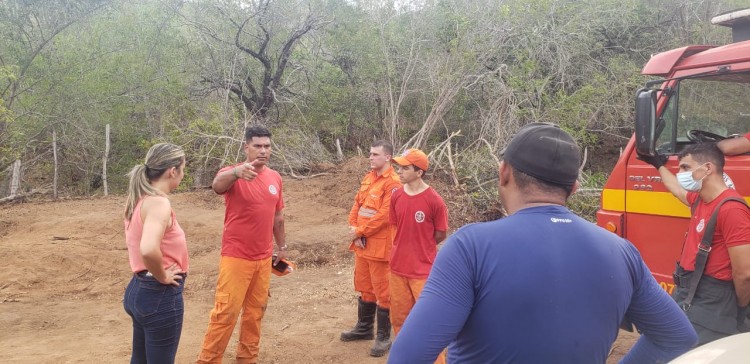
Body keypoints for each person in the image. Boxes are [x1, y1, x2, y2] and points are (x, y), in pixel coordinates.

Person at [389, 123, 698, 363]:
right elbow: (678, 336)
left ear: (504, 172)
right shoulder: (621, 251)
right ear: (574, 187)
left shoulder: (471, 247)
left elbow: (408, 357)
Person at [639, 143, 750, 345]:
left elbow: (744, 274)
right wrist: (658, 165)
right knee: (661, 344)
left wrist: (740, 310)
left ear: (707, 168)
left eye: (685, 168)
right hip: (688, 291)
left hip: (711, 302)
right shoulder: (700, 199)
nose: (680, 173)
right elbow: (676, 189)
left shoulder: (732, 210)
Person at [197, 126, 287, 364]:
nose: (263, 151)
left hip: (264, 257)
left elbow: (278, 217)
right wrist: (237, 172)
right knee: (225, 312)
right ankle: (208, 360)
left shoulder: (275, 177)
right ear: (246, 146)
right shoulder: (233, 173)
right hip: (236, 256)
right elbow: (217, 185)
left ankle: (247, 359)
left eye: (267, 146)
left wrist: (282, 247)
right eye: (257, 146)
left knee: (255, 312)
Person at [123, 143, 189, 364]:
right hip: (158, 295)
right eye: (183, 168)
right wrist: (163, 276)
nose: (183, 173)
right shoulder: (159, 203)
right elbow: (148, 249)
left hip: (138, 290)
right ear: (173, 171)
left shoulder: (139, 199)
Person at [340, 139, 402, 357]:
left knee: (382, 291)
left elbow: (385, 216)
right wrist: (353, 227)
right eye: (370, 153)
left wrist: (359, 231)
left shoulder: (393, 182)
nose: (370, 157)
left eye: (375, 154)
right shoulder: (369, 177)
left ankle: (384, 337)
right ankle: (364, 328)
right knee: (365, 287)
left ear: (387, 157)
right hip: (362, 245)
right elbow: (357, 204)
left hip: (379, 248)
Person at [389, 148, 448, 364]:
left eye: (405, 168)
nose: (399, 171)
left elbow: (441, 233)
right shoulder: (396, 195)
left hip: (423, 271)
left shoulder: (434, 201)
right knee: (399, 319)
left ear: (419, 172)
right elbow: (396, 227)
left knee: (427, 323)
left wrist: (421, 248)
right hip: (396, 269)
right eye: (399, 166)